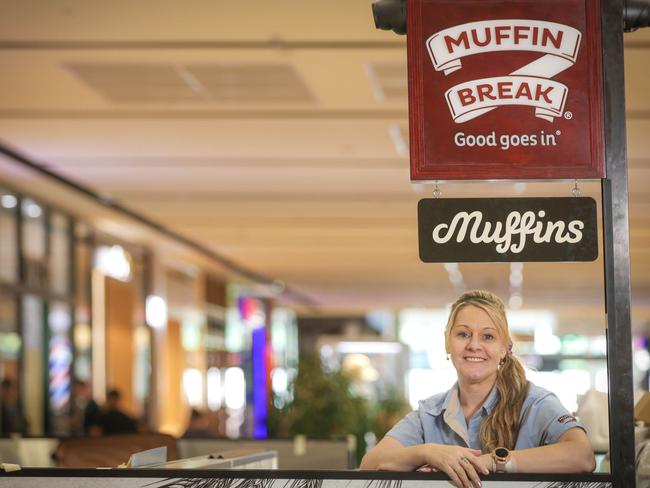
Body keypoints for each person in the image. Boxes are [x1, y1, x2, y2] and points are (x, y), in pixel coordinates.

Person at [360, 290, 595, 488]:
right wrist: (429, 452)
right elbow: (370, 464)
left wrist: (494, 461)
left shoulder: (534, 403)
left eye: (488, 337)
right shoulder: (429, 414)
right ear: (447, 342)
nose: (474, 345)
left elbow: (582, 456)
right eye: (463, 334)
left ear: (505, 348)